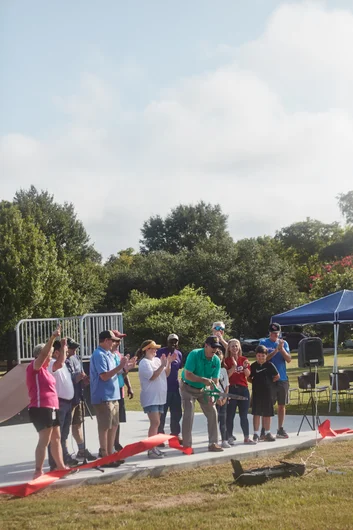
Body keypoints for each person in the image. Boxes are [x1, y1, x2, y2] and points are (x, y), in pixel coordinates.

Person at [26, 325, 69, 479]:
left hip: (52, 407)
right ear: (41, 355)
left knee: (56, 438)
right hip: (40, 408)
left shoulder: (46, 369)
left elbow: (61, 362)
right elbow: (44, 353)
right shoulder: (34, 367)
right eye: (49, 354)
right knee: (44, 439)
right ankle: (38, 471)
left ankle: (60, 467)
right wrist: (53, 338)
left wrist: (63, 347)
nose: (50, 357)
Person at [90, 330, 135, 465]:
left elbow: (116, 372)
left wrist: (126, 367)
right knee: (105, 427)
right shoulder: (99, 354)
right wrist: (120, 366)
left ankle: (111, 454)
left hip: (114, 395)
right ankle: (105, 456)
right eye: (112, 340)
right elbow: (104, 376)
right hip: (103, 396)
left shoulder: (109, 354)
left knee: (114, 425)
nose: (115, 343)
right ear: (105, 340)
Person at [180, 336, 223, 453]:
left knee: (213, 412)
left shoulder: (216, 360)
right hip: (187, 387)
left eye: (217, 347)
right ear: (206, 346)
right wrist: (204, 380)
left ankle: (213, 443)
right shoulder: (194, 354)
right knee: (189, 414)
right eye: (213, 347)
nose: (215, 350)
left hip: (203, 389)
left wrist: (212, 395)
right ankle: (187, 446)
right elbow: (188, 374)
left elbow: (215, 380)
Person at [137, 340, 177, 459]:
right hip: (151, 397)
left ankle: (153, 448)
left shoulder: (157, 360)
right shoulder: (144, 363)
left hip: (160, 396)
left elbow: (167, 374)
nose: (155, 350)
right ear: (146, 350)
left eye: (155, 348)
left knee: (157, 423)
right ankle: (151, 449)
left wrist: (168, 363)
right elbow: (153, 376)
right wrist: (162, 365)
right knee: (155, 423)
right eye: (153, 348)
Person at [47, 339, 78, 470]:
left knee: (63, 435)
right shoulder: (52, 363)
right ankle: (55, 464)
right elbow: (59, 364)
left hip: (67, 403)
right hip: (58, 403)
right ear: (56, 352)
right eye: (64, 350)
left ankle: (63, 459)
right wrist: (63, 345)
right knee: (55, 436)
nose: (67, 352)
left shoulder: (63, 363)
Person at [65, 337, 96, 461]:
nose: (75, 350)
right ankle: (65, 452)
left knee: (78, 424)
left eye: (76, 348)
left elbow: (81, 374)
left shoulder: (77, 359)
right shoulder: (62, 361)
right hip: (68, 398)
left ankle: (82, 450)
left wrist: (85, 380)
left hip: (78, 396)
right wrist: (76, 379)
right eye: (72, 348)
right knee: (65, 427)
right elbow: (64, 380)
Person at [259, 323, 291, 439]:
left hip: (282, 379)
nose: (274, 335)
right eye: (273, 333)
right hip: (269, 379)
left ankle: (280, 429)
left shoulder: (284, 343)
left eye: (276, 333)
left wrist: (281, 349)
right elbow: (263, 359)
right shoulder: (263, 343)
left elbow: (288, 359)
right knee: (268, 405)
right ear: (269, 333)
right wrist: (275, 350)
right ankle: (264, 430)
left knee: (281, 405)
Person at [224, 339, 255, 445]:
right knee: (230, 415)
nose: (234, 348)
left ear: (239, 347)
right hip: (232, 389)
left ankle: (246, 437)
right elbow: (226, 376)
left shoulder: (244, 359)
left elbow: (247, 374)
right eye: (232, 346)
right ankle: (229, 436)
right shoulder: (226, 360)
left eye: (236, 346)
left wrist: (245, 367)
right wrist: (234, 366)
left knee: (244, 415)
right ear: (229, 348)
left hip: (243, 389)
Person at [248, 345, 279, 443]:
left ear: (266, 356)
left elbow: (277, 376)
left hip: (268, 393)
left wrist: (269, 383)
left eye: (263, 356)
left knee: (267, 413)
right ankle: (256, 434)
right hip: (257, 393)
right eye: (259, 356)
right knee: (256, 413)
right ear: (256, 356)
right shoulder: (253, 366)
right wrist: (256, 383)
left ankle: (267, 433)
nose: (261, 358)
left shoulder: (270, 365)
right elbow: (249, 378)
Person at [156, 333, 183, 443]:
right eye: (171, 341)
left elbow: (179, 368)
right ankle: (160, 436)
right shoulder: (160, 352)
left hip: (175, 387)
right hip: (163, 387)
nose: (173, 343)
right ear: (167, 342)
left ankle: (175, 434)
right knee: (162, 413)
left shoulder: (179, 354)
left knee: (177, 412)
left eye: (175, 341)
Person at [110, 330, 134, 452]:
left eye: (120, 340)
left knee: (117, 419)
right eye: (117, 339)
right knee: (110, 420)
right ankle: (108, 446)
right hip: (111, 391)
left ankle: (116, 443)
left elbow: (123, 372)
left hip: (120, 390)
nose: (119, 342)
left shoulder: (118, 354)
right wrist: (124, 368)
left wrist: (129, 386)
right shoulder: (108, 355)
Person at [215, 350, 230, 448]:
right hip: (214, 399)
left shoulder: (224, 370)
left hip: (223, 398)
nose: (218, 361)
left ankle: (224, 440)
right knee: (214, 421)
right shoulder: (210, 370)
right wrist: (216, 398)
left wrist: (224, 398)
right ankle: (214, 440)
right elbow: (210, 386)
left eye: (220, 359)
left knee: (223, 420)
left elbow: (227, 385)